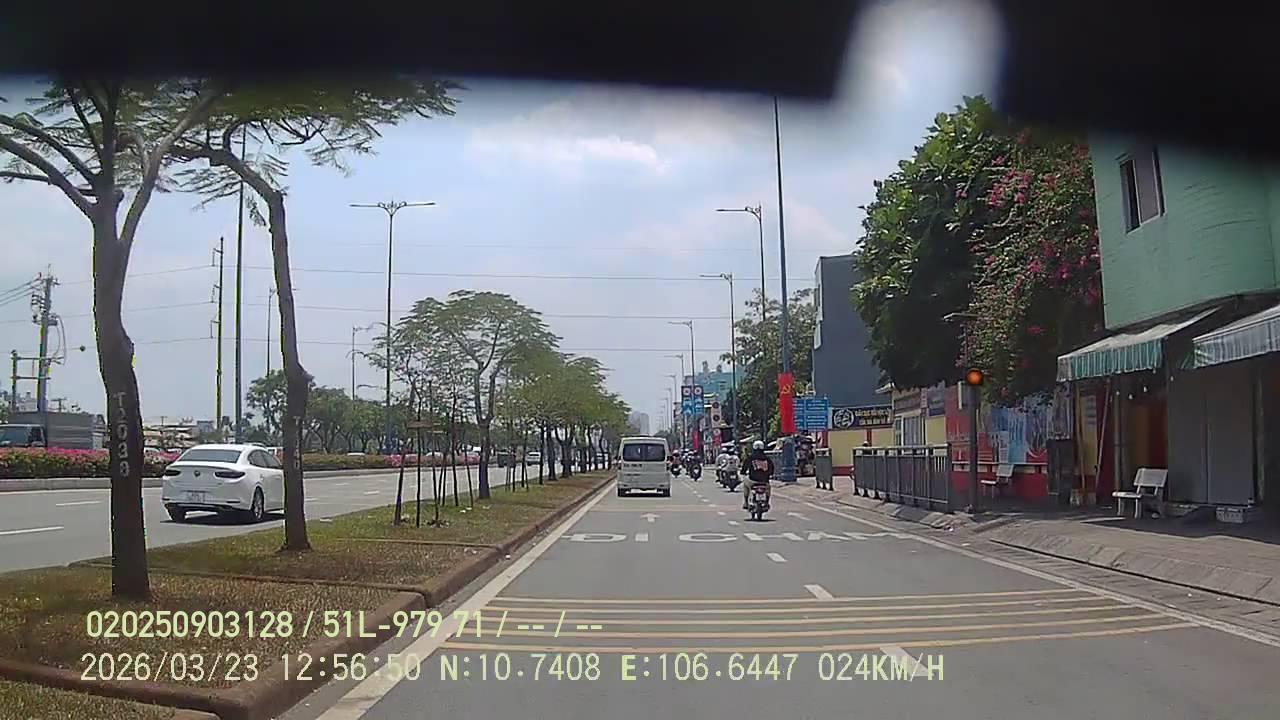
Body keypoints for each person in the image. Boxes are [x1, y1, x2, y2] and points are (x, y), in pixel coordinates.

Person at [743, 440, 774, 510]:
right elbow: (771, 468)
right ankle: (766, 502)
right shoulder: (767, 458)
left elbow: (744, 468)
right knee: (768, 489)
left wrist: (743, 472)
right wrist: (769, 475)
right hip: (764, 481)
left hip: (752, 480)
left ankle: (746, 502)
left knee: (745, 484)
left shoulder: (750, 458)